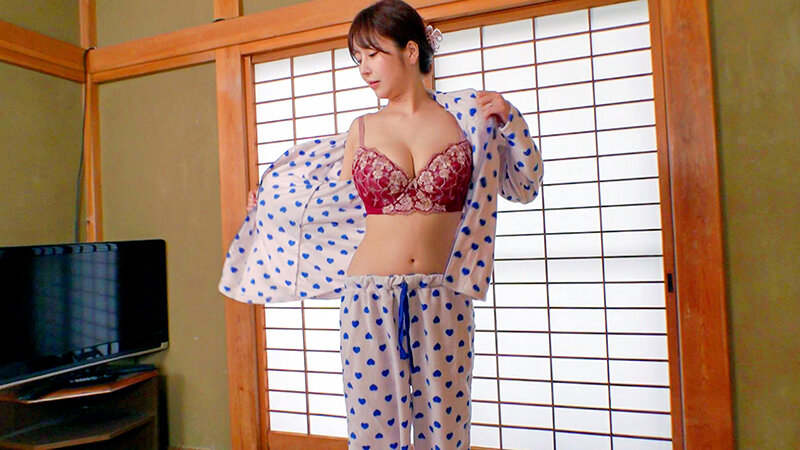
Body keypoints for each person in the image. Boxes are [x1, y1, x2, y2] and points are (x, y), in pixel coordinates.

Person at [220, 1, 543, 447]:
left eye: (373, 54)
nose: (364, 69)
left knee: (447, 434)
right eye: (358, 58)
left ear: (410, 51)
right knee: (372, 434)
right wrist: (272, 201)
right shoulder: (363, 129)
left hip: (443, 296)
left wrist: (511, 121)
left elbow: (524, 186)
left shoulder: (468, 119)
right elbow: (327, 203)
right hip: (367, 298)